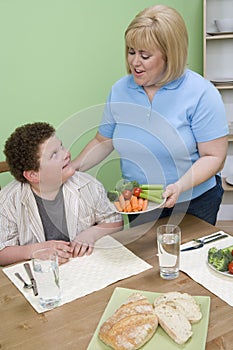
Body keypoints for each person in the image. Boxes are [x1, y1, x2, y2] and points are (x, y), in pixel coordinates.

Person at [72, 4, 228, 227]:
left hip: (193, 202)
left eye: (145, 55)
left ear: (170, 56)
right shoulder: (120, 90)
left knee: (186, 259)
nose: (135, 62)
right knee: (146, 260)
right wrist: (73, 168)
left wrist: (180, 186)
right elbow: (103, 140)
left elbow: (214, 156)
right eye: (131, 52)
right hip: (140, 202)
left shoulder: (201, 93)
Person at [0, 122, 123, 266]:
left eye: (62, 147)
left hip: (82, 268)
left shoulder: (89, 185)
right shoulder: (7, 201)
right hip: (41, 276)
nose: (66, 154)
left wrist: (91, 234)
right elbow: (2, 253)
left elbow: (114, 221)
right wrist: (34, 250)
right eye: (54, 154)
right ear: (33, 175)